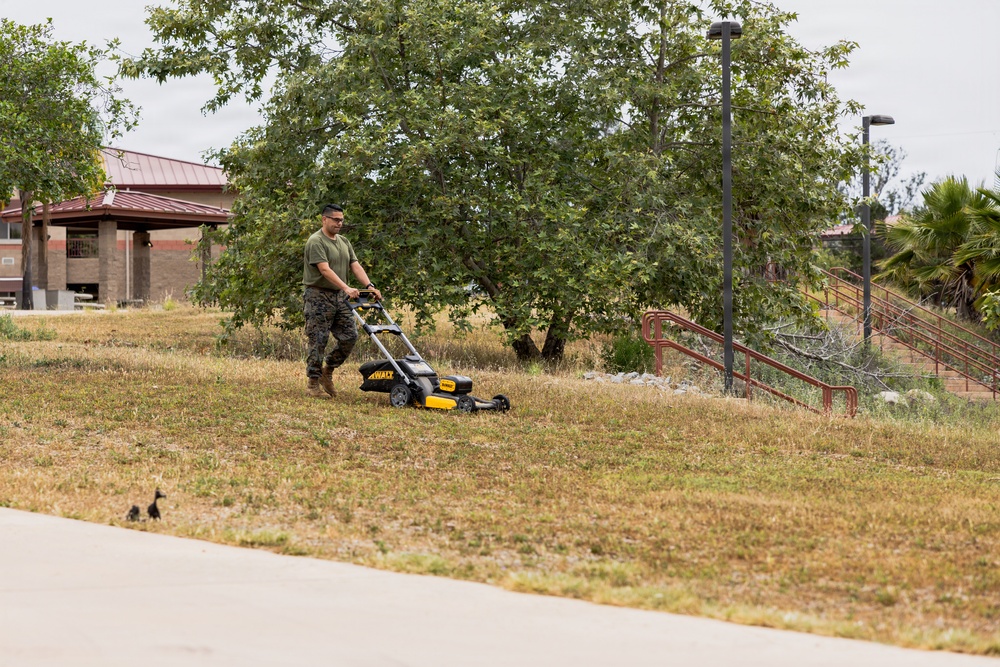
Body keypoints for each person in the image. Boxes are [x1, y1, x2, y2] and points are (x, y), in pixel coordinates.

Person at [302, 204, 382, 398]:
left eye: (341, 220)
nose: (339, 223)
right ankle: (313, 383)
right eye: (335, 219)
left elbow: (355, 265)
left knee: (350, 336)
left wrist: (369, 286)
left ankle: (327, 370)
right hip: (318, 296)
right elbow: (324, 269)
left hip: (340, 298)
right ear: (324, 219)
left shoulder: (344, 242)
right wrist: (346, 287)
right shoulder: (316, 241)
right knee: (318, 339)